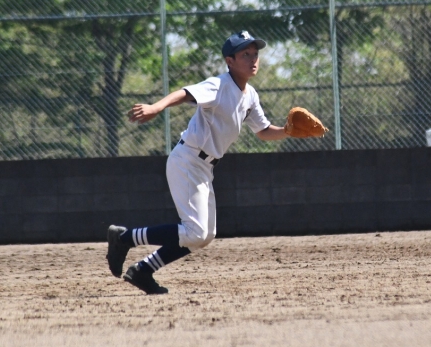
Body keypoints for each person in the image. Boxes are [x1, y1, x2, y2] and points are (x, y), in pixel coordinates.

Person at [106, 30, 292, 294]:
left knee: (203, 236)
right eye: (245, 54)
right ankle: (124, 238)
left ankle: (142, 270)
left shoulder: (250, 95)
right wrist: (156, 107)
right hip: (188, 160)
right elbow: (185, 93)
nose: (253, 59)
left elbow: (263, 131)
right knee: (194, 232)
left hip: (204, 167)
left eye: (255, 53)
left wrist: (288, 131)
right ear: (229, 61)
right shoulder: (219, 85)